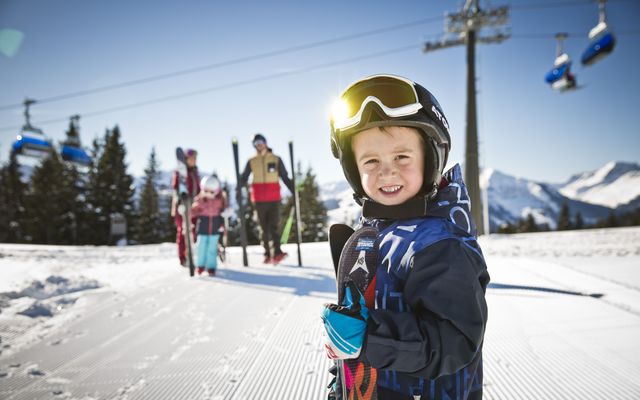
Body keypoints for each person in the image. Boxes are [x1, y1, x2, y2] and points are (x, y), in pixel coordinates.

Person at [321, 74, 490, 399]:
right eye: (371, 161)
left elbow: (454, 343)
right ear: (354, 171)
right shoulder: (375, 235)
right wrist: (344, 371)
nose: (387, 170)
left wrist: (368, 338)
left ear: (431, 159)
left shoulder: (441, 244)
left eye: (402, 157)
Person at [239, 133, 294, 264]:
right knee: (263, 228)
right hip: (258, 199)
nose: (259, 145)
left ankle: (277, 253)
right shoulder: (251, 161)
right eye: (256, 144)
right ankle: (267, 254)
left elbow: (285, 177)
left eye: (260, 142)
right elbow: (244, 177)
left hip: (274, 198)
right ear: (254, 146)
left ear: (265, 142)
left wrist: (293, 190)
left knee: (274, 226)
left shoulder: (276, 159)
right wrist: (238, 188)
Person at [191, 174, 228, 276]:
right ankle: (200, 265)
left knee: (212, 248)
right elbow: (192, 212)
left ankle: (211, 266)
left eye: (211, 192)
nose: (208, 194)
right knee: (201, 247)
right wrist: (188, 211)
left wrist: (226, 214)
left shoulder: (220, 200)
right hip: (203, 226)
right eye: (206, 191)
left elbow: (224, 210)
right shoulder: (200, 199)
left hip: (215, 227)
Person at [171, 148, 200, 266]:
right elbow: (175, 187)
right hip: (182, 206)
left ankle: (192, 255)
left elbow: (198, 189)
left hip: (194, 206)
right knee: (183, 231)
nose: (194, 160)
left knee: (194, 231)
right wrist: (179, 197)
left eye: (195, 158)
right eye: (191, 158)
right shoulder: (179, 172)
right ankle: (183, 258)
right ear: (186, 159)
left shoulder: (195, 172)